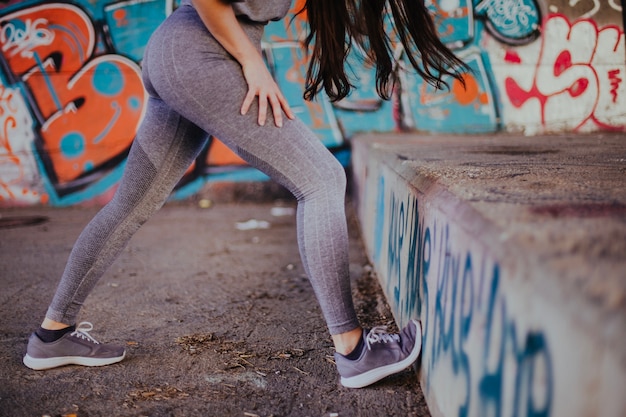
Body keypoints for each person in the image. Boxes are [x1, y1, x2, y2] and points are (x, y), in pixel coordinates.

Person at [23, 0, 466, 389]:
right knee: (321, 180)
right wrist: (252, 65)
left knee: (130, 204)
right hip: (199, 57)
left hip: (177, 55)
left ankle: (51, 336)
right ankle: (353, 352)